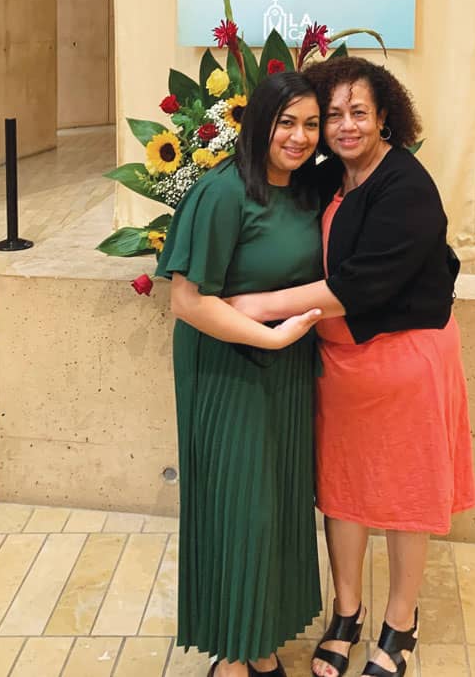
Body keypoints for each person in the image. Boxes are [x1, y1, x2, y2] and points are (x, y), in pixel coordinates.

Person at [227, 57, 475, 677]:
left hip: (408, 363)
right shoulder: (325, 178)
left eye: (357, 113)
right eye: (331, 114)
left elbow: (355, 286)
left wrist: (257, 304)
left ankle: (400, 623)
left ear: (384, 115)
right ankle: (347, 613)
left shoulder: (407, 186)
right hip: (342, 365)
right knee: (343, 494)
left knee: (404, 496)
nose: (344, 126)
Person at [155, 71, 325, 677]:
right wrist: (270, 335)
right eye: (286, 122)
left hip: (285, 371)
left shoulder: (306, 191)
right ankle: (235, 655)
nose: (300, 137)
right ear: (259, 122)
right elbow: (188, 302)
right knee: (241, 510)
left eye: (311, 124)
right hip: (229, 370)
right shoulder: (222, 193)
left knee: (276, 505)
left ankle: (262, 641)